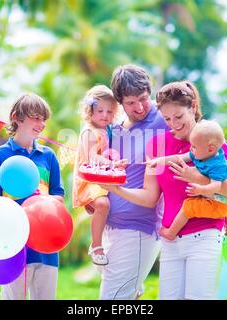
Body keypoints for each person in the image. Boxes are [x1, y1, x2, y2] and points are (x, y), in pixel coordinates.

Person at [102, 80, 227, 299]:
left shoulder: (209, 141)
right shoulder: (158, 144)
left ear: (192, 108)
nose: (174, 125)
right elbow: (150, 197)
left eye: (178, 117)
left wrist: (197, 177)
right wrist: (116, 189)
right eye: (167, 119)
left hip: (205, 236)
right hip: (170, 239)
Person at [97, 64, 170, 300]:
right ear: (119, 102)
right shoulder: (115, 129)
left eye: (143, 99)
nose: (139, 107)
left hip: (139, 229)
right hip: (111, 227)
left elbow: (198, 131)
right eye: (130, 102)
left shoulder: (162, 119)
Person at [0, 93, 65, 300]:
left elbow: (58, 195)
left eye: (43, 119)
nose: (42, 124)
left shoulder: (48, 156)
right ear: (16, 118)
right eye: (36, 117)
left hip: (46, 246)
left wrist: (41, 203)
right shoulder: (0, 156)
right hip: (13, 245)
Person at [147, 119, 227, 241]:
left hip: (220, 205)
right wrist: (160, 161)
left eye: (194, 146)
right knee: (189, 204)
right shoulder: (200, 151)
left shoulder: (218, 165)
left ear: (210, 149)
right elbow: (179, 158)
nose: (191, 149)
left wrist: (201, 190)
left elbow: (216, 186)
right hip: (211, 198)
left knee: (188, 206)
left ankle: (171, 233)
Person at [72, 85, 127, 266]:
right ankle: (96, 246)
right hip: (88, 179)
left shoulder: (108, 129)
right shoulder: (89, 131)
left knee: (112, 206)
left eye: (110, 111)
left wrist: (115, 164)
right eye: (100, 110)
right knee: (103, 204)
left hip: (101, 176)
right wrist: (111, 164)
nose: (105, 115)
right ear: (90, 111)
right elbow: (92, 157)